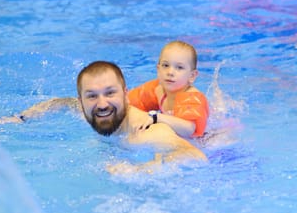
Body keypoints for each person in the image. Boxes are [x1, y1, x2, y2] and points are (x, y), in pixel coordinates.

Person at [76, 60, 206, 174]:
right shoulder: (89, 114)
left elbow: (196, 157)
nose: (102, 105)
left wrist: (140, 170)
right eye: (92, 96)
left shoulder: (147, 133)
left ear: (125, 95)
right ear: (81, 102)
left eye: (110, 93)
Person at [128, 40, 209, 138]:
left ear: (192, 76)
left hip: (203, 141)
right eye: (165, 65)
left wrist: (156, 117)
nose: (170, 72)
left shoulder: (192, 98)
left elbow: (189, 129)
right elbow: (129, 102)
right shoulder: (158, 89)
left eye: (179, 67)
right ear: (158, 69)